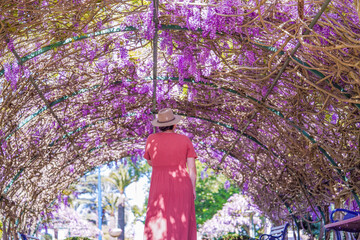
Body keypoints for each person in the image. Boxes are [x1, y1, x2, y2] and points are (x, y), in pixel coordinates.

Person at [143, 108, 197, 240]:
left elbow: (151, 162)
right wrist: (193, 189)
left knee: (158, 222)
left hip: (159, 185)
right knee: (180, 222)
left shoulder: (151, 139)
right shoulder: (185, 140)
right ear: (174, 124)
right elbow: (192, 169)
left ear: (160, 126)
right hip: (182, 185)